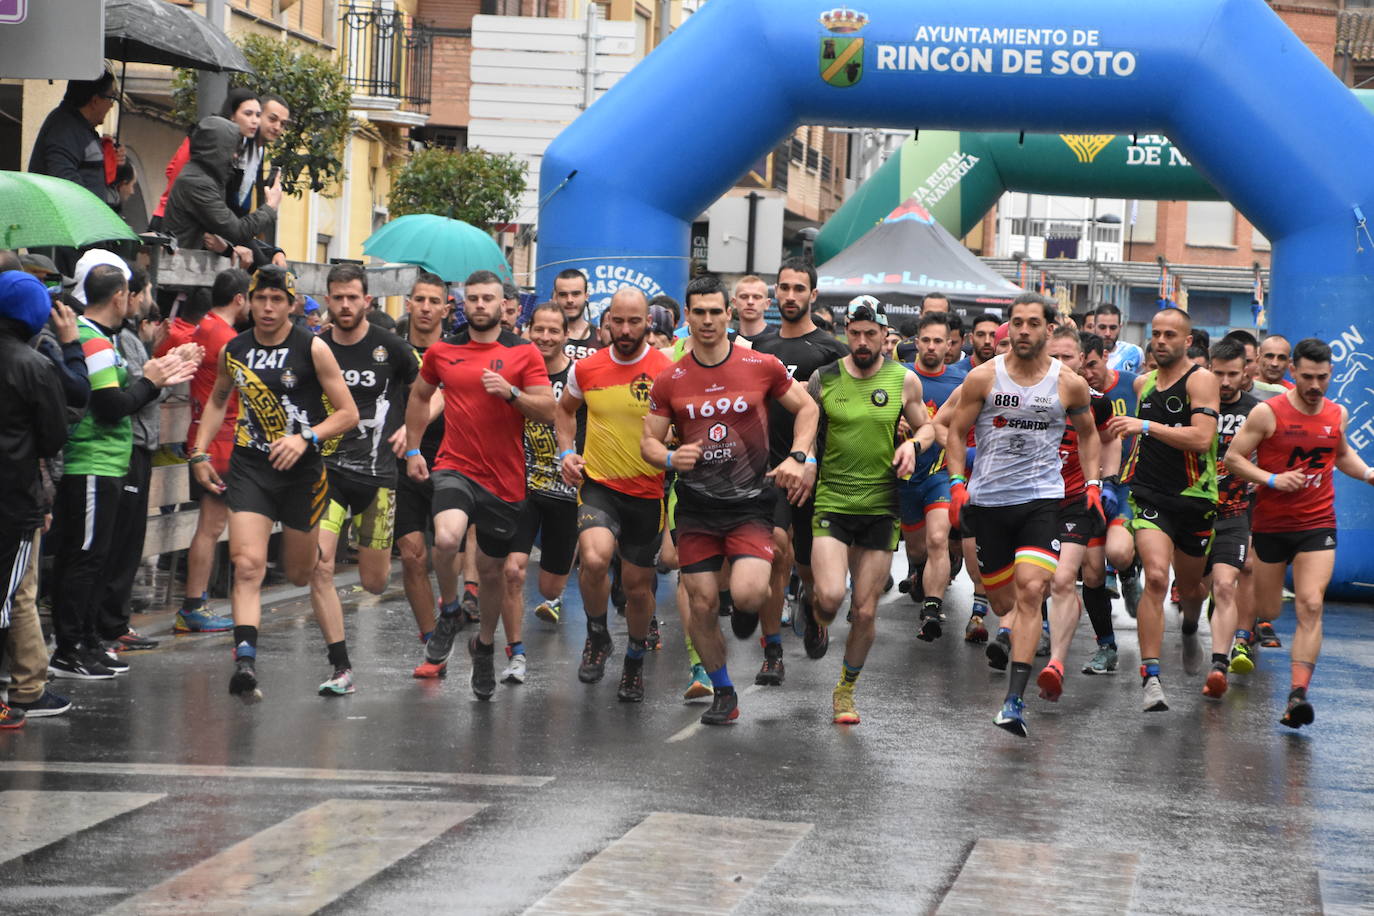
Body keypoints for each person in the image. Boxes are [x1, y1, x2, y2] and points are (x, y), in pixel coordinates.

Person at [642, 275, 818, 725]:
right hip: (698, 506)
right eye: (697, 312)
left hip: (750, 503)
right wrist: (667, 456)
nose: (706, 320)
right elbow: (648, 442)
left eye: (714, 311)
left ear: (729, 314)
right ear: (687, 316)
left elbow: (808, 408)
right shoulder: (670, 378)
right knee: (700, 601)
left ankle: (746, 612)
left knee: (748, 592)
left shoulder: (761, 364)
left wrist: (799, 455)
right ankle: (723, 691)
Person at [190, 267, 359, 701]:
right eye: (260, 299)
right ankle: (245, 662)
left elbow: (347, 413)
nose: (267, 308)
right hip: (252, 466)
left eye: (277, 300)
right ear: (248, 301)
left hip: (303, 473)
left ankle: (341, 665)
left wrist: (305, 438)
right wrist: (199, 451)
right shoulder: (235, 349)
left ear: (291, 304)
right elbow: (217, 400)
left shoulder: (313, 347)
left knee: (305, 573)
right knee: (248, 564)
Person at [944, 293, 1100, 737]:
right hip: (989, 502)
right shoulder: (983, 378)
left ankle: (1013, 702)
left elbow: (1088, 436)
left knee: (1033, 590)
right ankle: (1011, 651)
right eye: (1017, 323)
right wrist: (957, 484)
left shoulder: (1067, 383)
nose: (1024, 331)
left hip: (1041, 500)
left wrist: (1092, 484)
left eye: (1034, 323)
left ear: (1049, 330)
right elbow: (955, 432)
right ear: (1008, 328)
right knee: (1002, 602)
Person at [403, 270, 554, 698]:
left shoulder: (523, 353)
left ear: (504, 305)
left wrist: (510, 394)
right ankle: (449, 609)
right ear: (462, 304)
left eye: (488, 298)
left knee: (491, 575)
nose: (480, 305)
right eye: (473, 298)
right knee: (447, 538)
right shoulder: (444, 350)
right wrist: (415, 449)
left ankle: (484, 646)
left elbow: (547, 410)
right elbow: (419, 396)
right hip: (455, 466)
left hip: (505, 481)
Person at [50, 265, 199, 680]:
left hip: (107, 463)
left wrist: (159, 371)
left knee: (96, 558)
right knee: (84, 558)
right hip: (93, 463)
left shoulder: (105, 340)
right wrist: (152, 381)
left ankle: (87, 641)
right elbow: (110, 404)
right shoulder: (94, 341)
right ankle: (69, 648)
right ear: (119, 295)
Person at [1222, 338, 1372, 728]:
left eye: (1322, 377)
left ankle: (1297, 695)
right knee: (1269, 609)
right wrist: (1270, 478)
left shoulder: (1336, 414)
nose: (1315, 385)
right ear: (1293, 372)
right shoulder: (1267, 413)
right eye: (1307, 377)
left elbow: (1340, 455)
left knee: (1310, 604)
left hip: (1317, 523)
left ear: (1331, 375)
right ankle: (1247, 627)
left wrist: (1368, 472)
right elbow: (1233, 459)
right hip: (1271, 525)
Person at [809, 298, 931, 724]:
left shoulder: (904, 380)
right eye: (854, 333)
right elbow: (806, 431)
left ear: (884, 336)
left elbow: (929, 426)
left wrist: (913, 446)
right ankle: (817, 615)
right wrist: (802, 460)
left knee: (864, 609)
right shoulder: (822, 378)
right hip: (833, 501)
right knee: (828, 596)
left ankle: (845, 690)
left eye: (870, 334)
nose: (861, 342)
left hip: (882, 506)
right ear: (846, 332)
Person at [557, 288, 673, 700]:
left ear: (649, 322)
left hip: (646, 491)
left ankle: (634, 662)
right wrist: (567, 452)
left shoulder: (666, 371)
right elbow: (565, 411)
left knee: (638, 586)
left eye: (634, 321)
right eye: (617, 321)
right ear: (606, 321)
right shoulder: (586, 369)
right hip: (599, 484)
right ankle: (597, 634)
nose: (625, 330)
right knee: (593, 558)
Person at [309, 265, 418, 696]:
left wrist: (414, 429)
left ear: (367, 300)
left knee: (374, 582)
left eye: (353, 297)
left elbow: (432, 389)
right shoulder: (315, 346)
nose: (345, 305)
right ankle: (341, 665)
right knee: (320, 566)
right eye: (337, 297)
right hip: (328, 473)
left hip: (378, 478)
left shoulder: (390, 347)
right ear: (329, 299)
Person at [1105, 307, 1220, 714]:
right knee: (1155, 576)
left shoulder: (1202, 380)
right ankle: (1151, 677)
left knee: (1192, 589)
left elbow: (1203, 439)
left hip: (1195, 498)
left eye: (1171, 334)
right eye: (1156, 333)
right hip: (1150, 495)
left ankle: (1190, 627)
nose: (1161, 341)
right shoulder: (1144, 383)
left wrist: (1146, 426)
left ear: (1188, 341)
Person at [750, 260, 848, 674]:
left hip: (815, 473)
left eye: (799, 289)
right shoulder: (759, 348)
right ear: (776, 293)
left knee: (807, 564)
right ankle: (772, 650)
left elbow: (854, 408)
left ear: (813, 295)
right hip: (768, 470)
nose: (790, 296)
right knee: (774, 548)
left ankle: (809, 602)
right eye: (784, 288)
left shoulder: (832, 350)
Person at [0, 272, 73, 726]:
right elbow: (53, 437)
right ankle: (20, 693)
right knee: (7, 595)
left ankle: (24, 687)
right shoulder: (35, 366)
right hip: (12, 500)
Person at [1035, 329, 1115, 703]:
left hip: (1078, 498)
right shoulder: (1030, 395)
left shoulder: (1097, 402)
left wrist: (1103, 483)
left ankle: (1103, 645)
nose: (1061, 364)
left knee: (1087, 574)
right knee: (1038, 579)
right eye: (1054, 356)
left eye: (1068, 357)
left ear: (1082, 360)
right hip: (1035, 499)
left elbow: (1109, 440)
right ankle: (1042, 630)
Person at [502, 303, 578, 683]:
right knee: (512, 570)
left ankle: (556, 594)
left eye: (554, 331)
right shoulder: (514, 369)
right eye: (539, 330)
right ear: (528, 330)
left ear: (566, 335)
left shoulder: (578, 377)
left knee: (549, 586)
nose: (546, 337)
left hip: (565, 493)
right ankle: (515, 653)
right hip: (521, 486)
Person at [173, 270, 248, 633]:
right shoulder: (227, 339)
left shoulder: (204, 326)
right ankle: (193, 606)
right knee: (211, 526)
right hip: (220, 441)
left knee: (209, 526)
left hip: (203, 436)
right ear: (239, 299)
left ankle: (195, 603)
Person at [97, 268, 168, 653]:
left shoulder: (130, 337)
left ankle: (114, 622)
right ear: (129, 294)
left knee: (128, 540)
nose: (146, 296)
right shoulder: (118, 339)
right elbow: (140, 388)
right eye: (146, 290)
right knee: (117, 541)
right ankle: (105, 626)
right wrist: (162, 374)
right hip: (128, 446)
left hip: (137, 445)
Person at [393, 273, 460, 648]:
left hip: (449, 459)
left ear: (446, 309)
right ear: (408, 304)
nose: (426, 307)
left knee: (446, 549)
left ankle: (454, 602)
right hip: (401, 464)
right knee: (412, 555)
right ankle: (432, 637)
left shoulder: (455, 351)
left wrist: (413, 428)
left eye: (434, 301)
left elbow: (446, 392)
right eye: (420, 300)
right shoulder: (393, 351)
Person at [896, 312, 965, 637]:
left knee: (938, 539)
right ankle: (921, 573)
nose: (932, 347)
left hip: (939, 474)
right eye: (926, 340)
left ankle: (932, 609)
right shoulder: (899, 376)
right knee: (918, 550)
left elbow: (965, 430)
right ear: (916, 342)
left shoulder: (959, 383)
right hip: (905, 476)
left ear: (949, 344)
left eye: (939, 341)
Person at [1199, 339, 1260, 698]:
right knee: (1196, 591)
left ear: (1245, 372)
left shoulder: (1257, 412)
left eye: (1232, 374)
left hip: (1236, 511)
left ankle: (1219, 663)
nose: (1224, 381)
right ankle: (1194, 620)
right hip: (1194, 511)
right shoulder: (1196, 406)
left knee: (1226, 585)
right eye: (1217, 373)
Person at [1078, 333, 1141, 629]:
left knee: (1117, 552)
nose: (1088, 374)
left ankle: (1128, 572)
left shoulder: (1133, 384)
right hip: (1084, 485)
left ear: (1105, 357)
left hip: (1126, 484)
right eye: (1082, 370)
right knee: (1089, 572)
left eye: (1092, 365)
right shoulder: (1074, 394)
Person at [164, 116, 282, 257]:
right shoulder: (197, 183)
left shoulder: (207, 178)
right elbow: (237, 231)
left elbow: (224, 231)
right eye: (231, 148)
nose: (236, 155)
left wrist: (273, 252)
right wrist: (270, 207)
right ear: (215, 148)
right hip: (182, 271)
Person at [152, 88, 261, 229]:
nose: (255, 121)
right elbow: (175, 172)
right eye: (248, 114)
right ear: (232, 115)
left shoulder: (244, 147)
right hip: (172, 221)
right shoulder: (205, 137)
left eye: (258, 115)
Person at [28, 71, 123, 212]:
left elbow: (87, 167)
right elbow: (64, 183)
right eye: (111, 98)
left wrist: (110, 162)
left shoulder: (80, 127)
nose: (111, 105)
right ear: (95, 101)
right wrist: (91, 213)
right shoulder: (64, 129)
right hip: (72, 226)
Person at [553, 269, 601, 358]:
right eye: (563, 295)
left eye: (576, 294)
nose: (569, 300)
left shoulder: (600, 338)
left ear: (586, 297)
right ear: (555, 298)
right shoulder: (542, 336)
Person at [1094, 304, 1144, 373]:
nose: (1107, 333)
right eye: (1102, 327)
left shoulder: (1134, 353)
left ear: (1120, 327)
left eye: (1113, 328)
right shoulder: (1084, 354)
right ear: (1094, 327)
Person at [733, 275, 775, 343]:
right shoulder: (726, 343)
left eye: (757, 297)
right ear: (734, 302)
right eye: (744, 297)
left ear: (767, 304)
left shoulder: (778, 342)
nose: (750, 302)